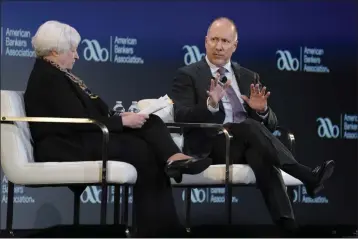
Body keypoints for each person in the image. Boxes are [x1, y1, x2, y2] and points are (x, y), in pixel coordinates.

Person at [24, 20, 211, 237]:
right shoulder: (48, 77)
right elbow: (75, 119)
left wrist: (120, 117)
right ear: (55, 51)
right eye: (73, 50)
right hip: (66, 144)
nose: (77, 56)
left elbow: (90, 111)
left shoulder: (58, 73)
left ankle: (174, 160)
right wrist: (121, 123)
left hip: (82, 136)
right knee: (142, 151)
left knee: (151, 122)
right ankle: (158, 230)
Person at [170, 17, 335, 235]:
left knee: (259, 151)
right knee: (250, 130)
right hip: (211, 145)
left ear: (234, 46)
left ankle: (289, 228)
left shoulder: (248, 76)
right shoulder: (188, 74)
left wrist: (262, 111)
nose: (219, 46)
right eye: (214, 40)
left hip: (247, 143)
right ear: (205, 41)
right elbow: (180, 114)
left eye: (225, 41)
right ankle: (306, 175)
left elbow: (271, 123)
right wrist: (210, 105)